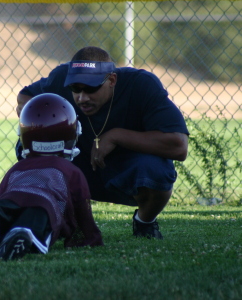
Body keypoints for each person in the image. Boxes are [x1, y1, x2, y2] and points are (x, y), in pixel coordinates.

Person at [16, 46, 189, 240]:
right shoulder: (60, 78)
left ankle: (144, 221)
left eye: (91, 88)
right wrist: (51, 125)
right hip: (77, 163)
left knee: (158, 169)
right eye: (75, 89)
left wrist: (116, 136)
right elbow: (24, 99)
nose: (82, 97)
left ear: (111, 80)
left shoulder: (141, 84)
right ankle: (59, 217)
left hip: (127, 165)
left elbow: (178, 145)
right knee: (30, 145)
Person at [0, 93, 103, 260]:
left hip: (10, 200)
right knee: (34, 219)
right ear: (70, 134)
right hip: (43, 205)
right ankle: (21, 234)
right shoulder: (70, 170)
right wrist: (89, 238)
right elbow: (83, 210)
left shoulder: (17, 168)